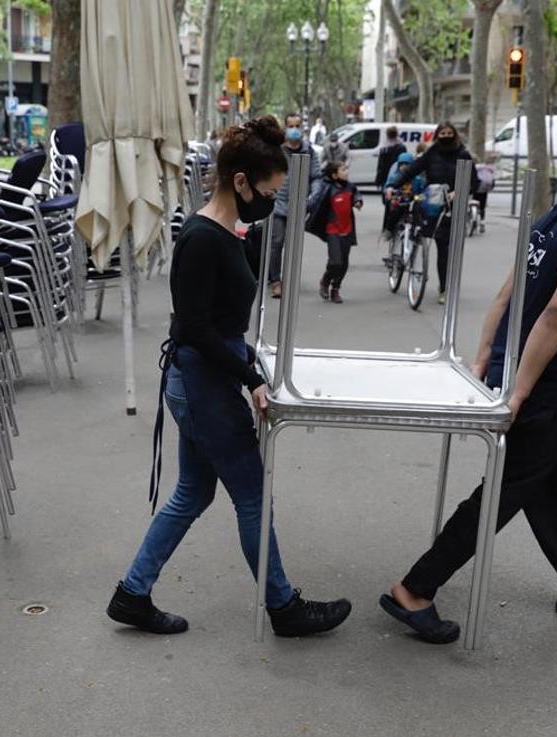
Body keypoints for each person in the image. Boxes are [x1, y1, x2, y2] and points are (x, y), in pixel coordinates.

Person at [378, 141, 557, 644]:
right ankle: (414, 588)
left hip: (530, 377)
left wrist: (484, 357)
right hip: (544, 386)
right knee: (502, 494)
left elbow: (507, 290)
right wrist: (518, 393)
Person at [107, 116, 352, 638]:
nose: (270, 202)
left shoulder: (223, 233)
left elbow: (219, 321)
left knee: (193, 494)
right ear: (239, 182)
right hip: (201, 383)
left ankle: (132, 593)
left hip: (202, 379)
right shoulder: (201, 238)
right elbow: (194, 327)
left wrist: (248, 365)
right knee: (251, 494)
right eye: (267, 191)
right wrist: (249, 376)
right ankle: (283, 607)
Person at [386, 122, 479, 305]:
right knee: (418, 226)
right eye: (442, 133)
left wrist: (459, 191)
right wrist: (392, 185)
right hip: (431, 204)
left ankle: (444, 288)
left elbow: (473, 181)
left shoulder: (463, 154)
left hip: (452, 208)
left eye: (449, 132)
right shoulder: (432, 153)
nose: (446, 135)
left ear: (454, 134)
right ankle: (408, 249)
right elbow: (412, 170)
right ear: (437, 135)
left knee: (444, 249)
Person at [268, 113, 322, 300]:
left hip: (299, 204)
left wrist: (314, 196)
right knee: (277, 242)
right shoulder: (276, 150)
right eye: (291, 125)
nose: (294, 129)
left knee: (293, 245)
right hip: (277, 203)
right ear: (285, 127)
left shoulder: (309, 151)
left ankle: (289, 279)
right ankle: (276, 281)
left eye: (297, 125)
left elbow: (316, 176)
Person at [307, 160, 363, 303]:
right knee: (336, 262)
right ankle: (325, 281)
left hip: (348, 231)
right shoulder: (327, 188)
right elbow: (316, 203)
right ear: (334, 175)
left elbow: (357, 195)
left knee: (343, 264)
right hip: (333, 231)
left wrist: (358, 202)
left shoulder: (350, 187)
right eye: (343, 170)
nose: (347, 172)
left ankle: (335, 289)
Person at [381, 151, 426, 235]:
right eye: (401, 164)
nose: (404, 167)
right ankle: (389, 230)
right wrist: (389, 191)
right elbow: (388, 186)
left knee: (418, 211)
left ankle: (419, 229)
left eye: (407, 164)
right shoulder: (395, 176)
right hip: (400, 199)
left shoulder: (417, 179)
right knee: (395, 212)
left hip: (413, 200)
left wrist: (420, 197)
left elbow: (424, 191)